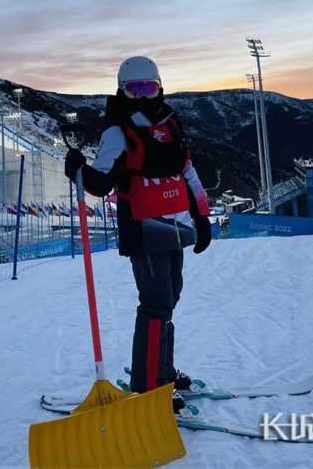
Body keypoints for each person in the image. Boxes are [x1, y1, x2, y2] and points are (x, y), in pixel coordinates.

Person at [64, 56, 211, 415]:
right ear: (123, 90)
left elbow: (188, 172)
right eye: (135, 89)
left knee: (170, 296)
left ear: (160, 86)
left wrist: (202, 216)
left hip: (175, 222)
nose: (143, 96)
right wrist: (78, 169)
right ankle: (149, 388)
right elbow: (101, 181)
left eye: (149, 87)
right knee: (156, 301)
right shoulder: (118, 131)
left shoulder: (171, 123)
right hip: (143, 224)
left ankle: (162, 369)